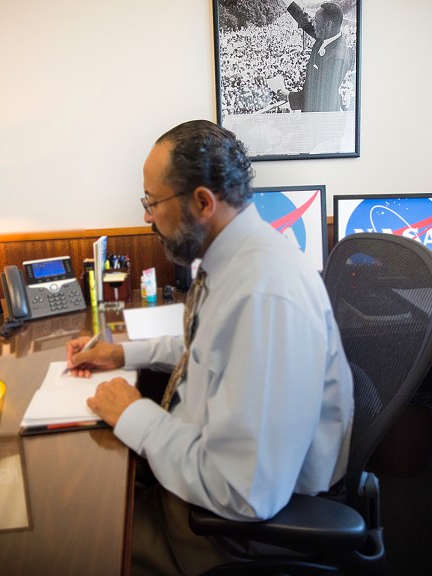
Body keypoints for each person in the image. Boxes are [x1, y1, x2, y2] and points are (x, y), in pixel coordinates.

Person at [65, 120, 354, 575]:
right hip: (201, 479)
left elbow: (242, 491)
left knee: (77, 544)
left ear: (202, 202)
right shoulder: (235, 259)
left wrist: (134, 414)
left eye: (152, 202)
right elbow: (210, 347)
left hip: (229, 531)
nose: (147, 217)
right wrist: (123, 354)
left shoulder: (263, 294)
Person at [278, 2, 350, 112]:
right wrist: (288, 3)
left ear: (328, 25)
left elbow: (321, 95)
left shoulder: (338, 58)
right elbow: (306, 22)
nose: (313, 24)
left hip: (320, 114)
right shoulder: (327, 34)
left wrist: (289, 96)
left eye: (316, 21)